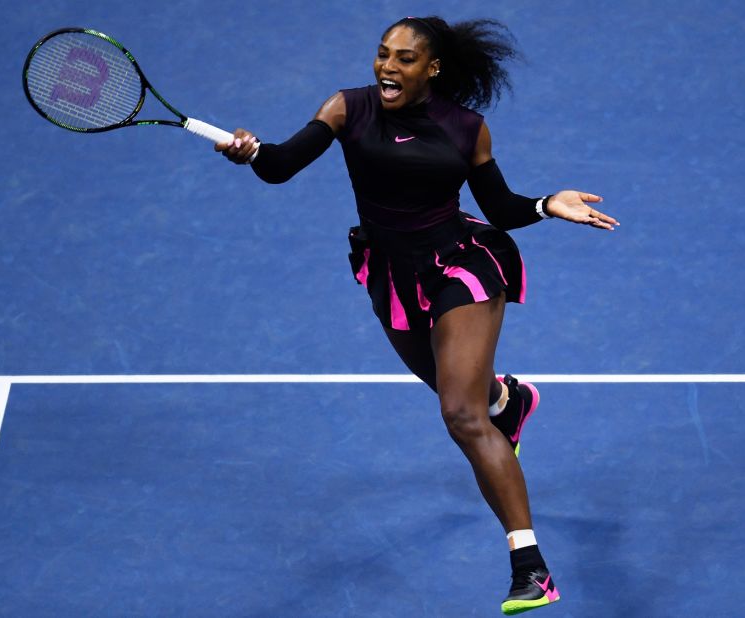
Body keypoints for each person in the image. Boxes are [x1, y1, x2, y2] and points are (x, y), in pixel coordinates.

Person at [217, 15, 617, 615]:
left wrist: (545, 204)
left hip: (460, 266)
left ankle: (531, 567)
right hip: (391, 276)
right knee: (468, 399)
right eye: (382, 55)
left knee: (460, 414)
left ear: (432, 69)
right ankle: (509, 401)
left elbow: (501, 208)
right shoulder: (347, 109)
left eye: (404, 59)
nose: (387, 67)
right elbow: (280, 165)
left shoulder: (465, 128)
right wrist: (249, 152)